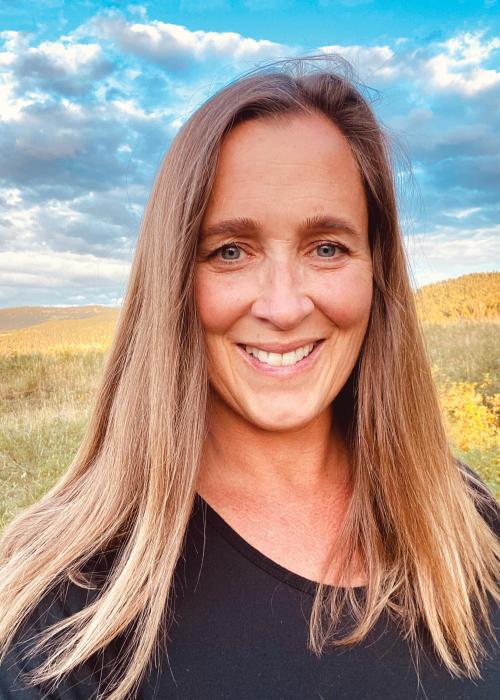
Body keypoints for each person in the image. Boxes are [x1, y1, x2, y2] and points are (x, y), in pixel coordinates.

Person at [0, 55, 498, 700]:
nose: (284, 306)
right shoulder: (67, 613)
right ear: (174, 280)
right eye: (230, 251)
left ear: (377, 272)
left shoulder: (465, 517)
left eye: (327, 248)